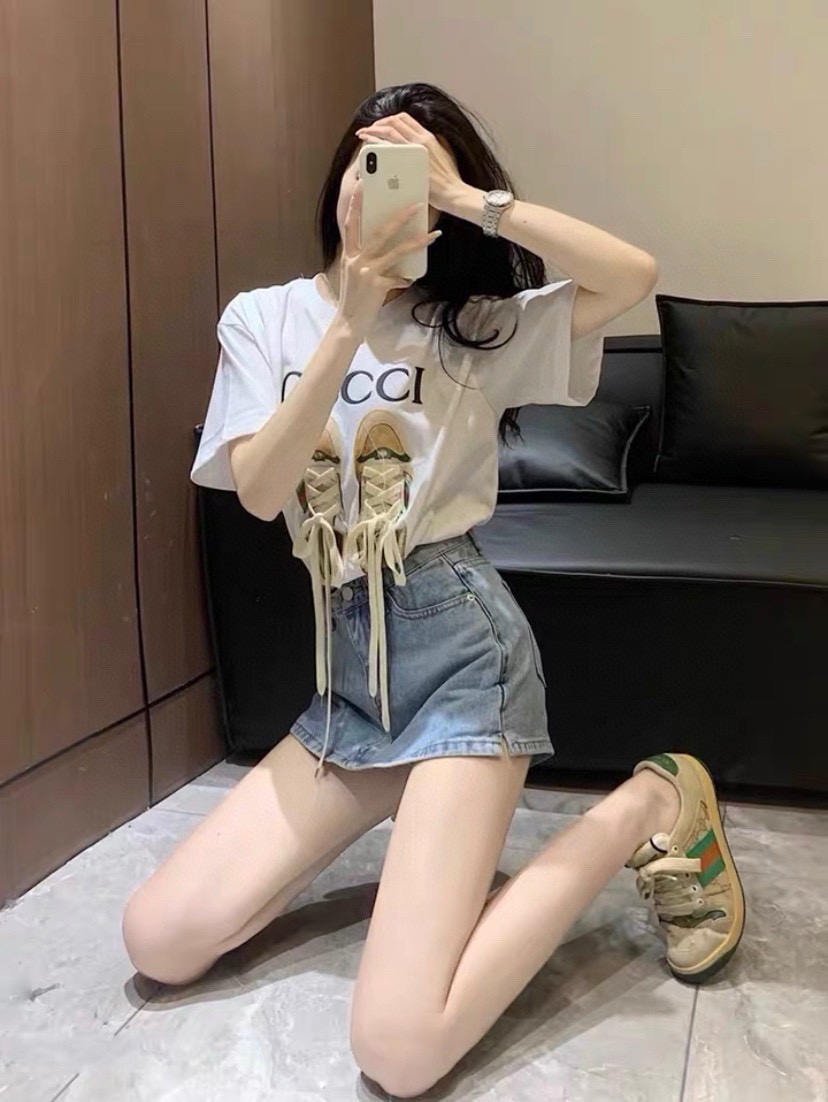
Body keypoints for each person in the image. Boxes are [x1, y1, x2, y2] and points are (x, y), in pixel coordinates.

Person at [121, 82, 745, 1098]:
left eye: (415, 172)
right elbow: (263, 489)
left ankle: (652, 798)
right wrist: (349, 320)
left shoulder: (473, 328)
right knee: (160, 937)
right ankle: (421, 799)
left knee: (399, 1048)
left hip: (461, 658)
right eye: (373, 159)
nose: (385, 186)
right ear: (340, 175)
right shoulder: (263, 319)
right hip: (350, 683)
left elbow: (633, 274)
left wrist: (472, 201)